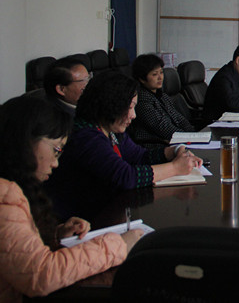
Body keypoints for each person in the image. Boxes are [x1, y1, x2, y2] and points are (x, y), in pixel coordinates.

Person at [0, 95, 142, 302]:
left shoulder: (13, 189)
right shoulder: (5, 198)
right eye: (56, 149)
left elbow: (13, 250)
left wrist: (55, 236)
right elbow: (40, 275)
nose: (56, 163)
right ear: (25, 142)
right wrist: (118, 245)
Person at [44, 71, 202, 221]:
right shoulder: (85, 136)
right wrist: (175, 168)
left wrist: (173, 151)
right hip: (84, 220)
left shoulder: (111, 129)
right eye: (130, 107)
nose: (134, 115)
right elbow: (125, 177)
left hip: (111, 210)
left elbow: (139, 157)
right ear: (110, 105)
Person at [128, 53, 195, 149]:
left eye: (161, 72)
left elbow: (179, 119)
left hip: (173, 140)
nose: (160, 78)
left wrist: (193, 134)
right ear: (142, 79)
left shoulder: (162, 95)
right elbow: (163, 127)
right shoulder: (142, 99)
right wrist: (187, 138)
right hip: (156, 146)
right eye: (155, 74)